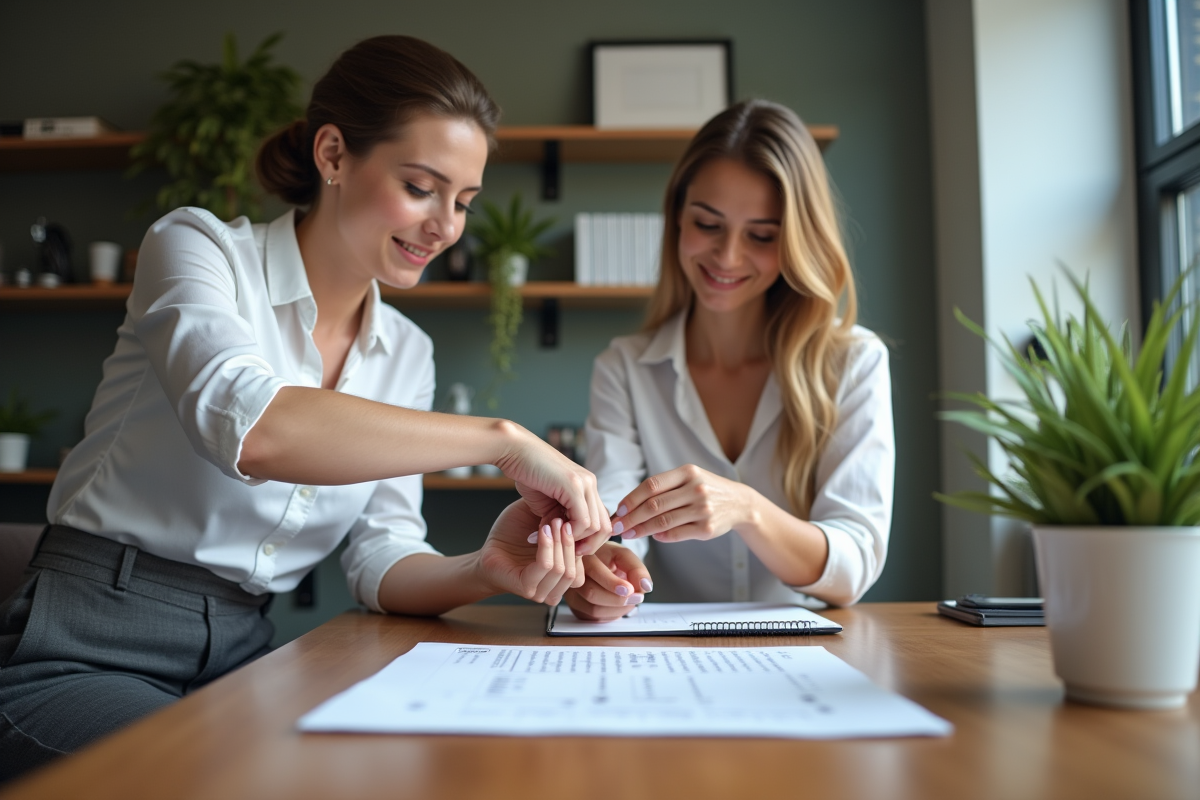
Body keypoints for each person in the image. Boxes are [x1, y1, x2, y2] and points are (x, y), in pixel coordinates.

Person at [0, 35, 609, 781]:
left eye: (463, 202)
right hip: (87, 644)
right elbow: (254, 427)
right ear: (333, 155)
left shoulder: (406, 351)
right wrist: (503, 439)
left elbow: (383, 557)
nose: (446, 227)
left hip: (244, 654)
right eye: (421, 188)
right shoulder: (198, 249)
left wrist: (487, 568)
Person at [565, 100, 894, 622]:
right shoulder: (623, 368)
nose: (728, 257)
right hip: (661, 651)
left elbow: (854, 564)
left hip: (802, 656)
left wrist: (747, 509)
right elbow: (613, 521)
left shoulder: (853, 361)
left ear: (795, 242)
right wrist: (604, 569)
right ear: (676, 218)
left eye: (761, 235)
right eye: (708, 224)